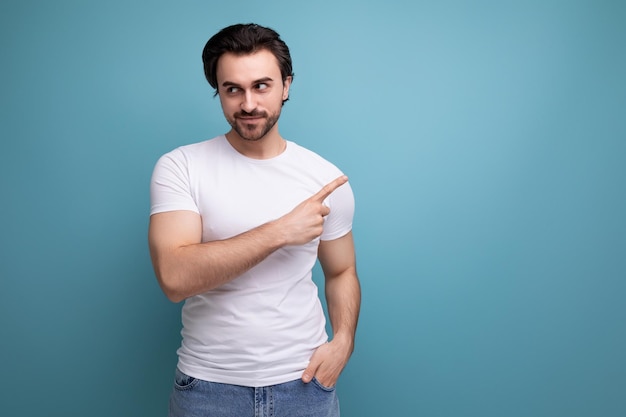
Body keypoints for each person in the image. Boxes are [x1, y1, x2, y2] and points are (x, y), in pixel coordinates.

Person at [148, 23, 361, 417]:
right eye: (233, 89)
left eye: (261, 86)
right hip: (208, 389)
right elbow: (175, 278)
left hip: (305, 386)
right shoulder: (182, 167)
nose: (248, 103)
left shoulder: (323, 178)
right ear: (219, 92)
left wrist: (344, 340)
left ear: (286, 86)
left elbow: (342, 270)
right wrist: (280, 232)